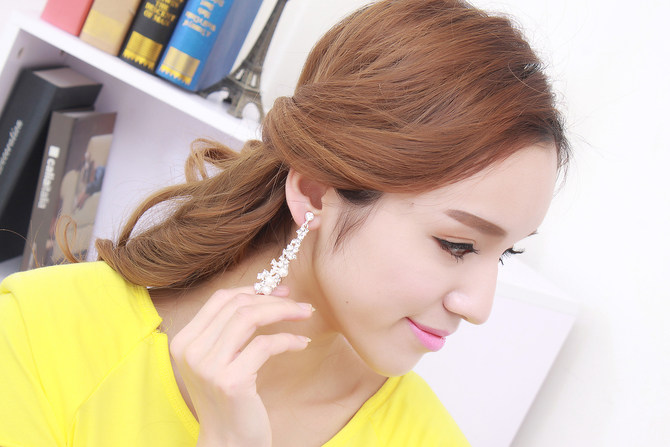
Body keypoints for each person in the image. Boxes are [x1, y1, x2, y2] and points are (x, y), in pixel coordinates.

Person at [0, 0, 569, 445]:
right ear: (316, 193)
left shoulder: (425, 437)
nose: (479, 307)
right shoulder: (38, 333)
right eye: (457, 244)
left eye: (506, 253)